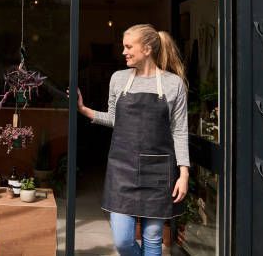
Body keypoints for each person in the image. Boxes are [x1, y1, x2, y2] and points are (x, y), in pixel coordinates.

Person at [74, 24, 189, 256]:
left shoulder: (173, 84)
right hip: (122, 169)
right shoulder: (118, 79)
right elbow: (115, 119)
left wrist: (183, 173)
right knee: (123, 240)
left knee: (153, 240)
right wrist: (84, 110)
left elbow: (179, 131)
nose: (123, 52)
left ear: (147, 49)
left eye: (128, 47)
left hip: (158, 170)